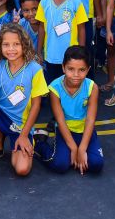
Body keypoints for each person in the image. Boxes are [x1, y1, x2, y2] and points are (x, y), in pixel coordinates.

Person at [0, 23, 48, 176]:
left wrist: (24, 135)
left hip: (21, 126)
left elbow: (36, 105)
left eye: (16, 44)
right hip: (0, 116)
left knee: (22, 169)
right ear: (0, 46)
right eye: (6, 44)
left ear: (25, 45)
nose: (11, 49)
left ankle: (34, 140)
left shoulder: (35, 69)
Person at [34, 46, 103, 175]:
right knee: (60, 165)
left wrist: (81, 149)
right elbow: (60, 120)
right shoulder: (54, 88)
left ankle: (81, 149)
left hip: (85, 130)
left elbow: (90, 119)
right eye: (71, 69)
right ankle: (39, 143)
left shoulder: (92, 88)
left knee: (96, 165)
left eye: (81, 70)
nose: (76, 75)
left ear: (88, 70)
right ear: (63, 68)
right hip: (65, 130)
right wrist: (73, 148)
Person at [36, 0, 88, 83]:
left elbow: (81, 29)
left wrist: (82, 51)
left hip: (71, 57)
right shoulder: (44, 2)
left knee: (70, 86)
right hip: (50, 55)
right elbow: (41, 28)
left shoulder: (76, 3)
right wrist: (39, 51)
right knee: (52, 87)